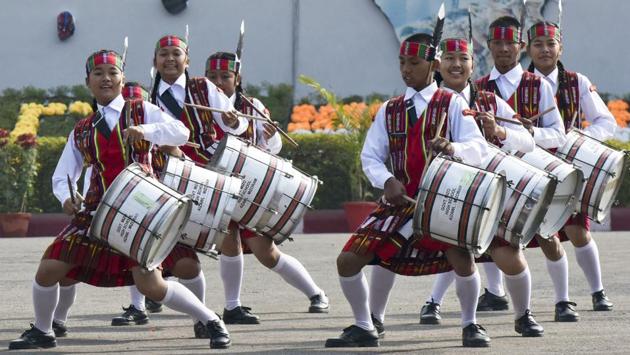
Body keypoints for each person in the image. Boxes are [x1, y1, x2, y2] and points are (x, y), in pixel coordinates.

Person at [9, 49, 231, 350]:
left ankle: (210, 319)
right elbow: (63, 176)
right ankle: (43, 330)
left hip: (141, 210)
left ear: (121, 78)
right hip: (95, 211)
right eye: (98, 73)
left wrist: (147, 131)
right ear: (88, 81)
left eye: (112, 73)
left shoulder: (142, 110)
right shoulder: (82, 130)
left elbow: (180, 132)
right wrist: (66, 198)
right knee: (49, 269)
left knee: (150, 284)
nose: (106, 79)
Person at [324, 32, 492, 348]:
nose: (405, 69)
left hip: (442, 202)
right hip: (399, 202)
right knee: (348, 261)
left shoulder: (452, 102)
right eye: (402, 63)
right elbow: (370, 155)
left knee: (462, 259)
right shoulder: (391, 108)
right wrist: (386, 181)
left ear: (434, 64)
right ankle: (365, 325)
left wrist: (453, 147)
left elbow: (479, 148)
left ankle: (471, 324)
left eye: (413, 63)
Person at [415, 37, 535, 326]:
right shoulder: (424, 104)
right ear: (437, 65)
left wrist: (501, 131)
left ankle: (523, 315)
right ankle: (432, 303)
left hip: (488, 193)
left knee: (508, 253)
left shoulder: (489, 100)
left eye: (463, 59)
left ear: (472, 65)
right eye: (449, 59)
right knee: (452, 247)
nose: (456, 65)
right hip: (446, 192)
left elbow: (528, 142)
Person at [205, 51, 329, 324]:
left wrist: (271, 137)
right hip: (220, 187)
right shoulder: (200, 109)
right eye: (212, 77)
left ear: (237, 79)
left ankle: (316, 293)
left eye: (225, 76)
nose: (218, 82)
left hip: (251, 190)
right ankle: (232, 306)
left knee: (266, 253)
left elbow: (271, 148)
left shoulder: (253, 106)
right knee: (229, 242)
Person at [147, 35, 248, 338]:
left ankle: (233, 304)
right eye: (163, 54)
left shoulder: (203, 87)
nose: (169, 59)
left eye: (176, 54)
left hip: (205, 169)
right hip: (165, 174)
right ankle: (190, 314)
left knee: (229, 232)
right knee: (155, 237)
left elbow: (238, 125)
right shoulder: (144, 98)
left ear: (187, 60)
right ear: (155, 61)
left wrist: (232, 121)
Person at [473, 16, 565, 334]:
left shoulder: (538, 84)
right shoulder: (479, 87)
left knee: (549, 239)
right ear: (488, 46)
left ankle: (563, 300)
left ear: (520, 46)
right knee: (473, 237)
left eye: (509, 42)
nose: (503, 49)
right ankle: (487, 297)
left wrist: (528, 133)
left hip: (532, 175)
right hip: (493, 175)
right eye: (496, 42)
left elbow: (558, 136)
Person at [524, 20, 616, 320]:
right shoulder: (522, 84)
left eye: (551, 44)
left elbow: (605, 121)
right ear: (528, 48)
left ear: (560, 47)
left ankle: (597, 290)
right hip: (533, 168)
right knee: (528, 234)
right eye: (538, 44)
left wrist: (580, 139)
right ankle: (499, 293)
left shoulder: (576, 81)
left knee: (578, 231)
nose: (545, 50)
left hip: (570, 168)